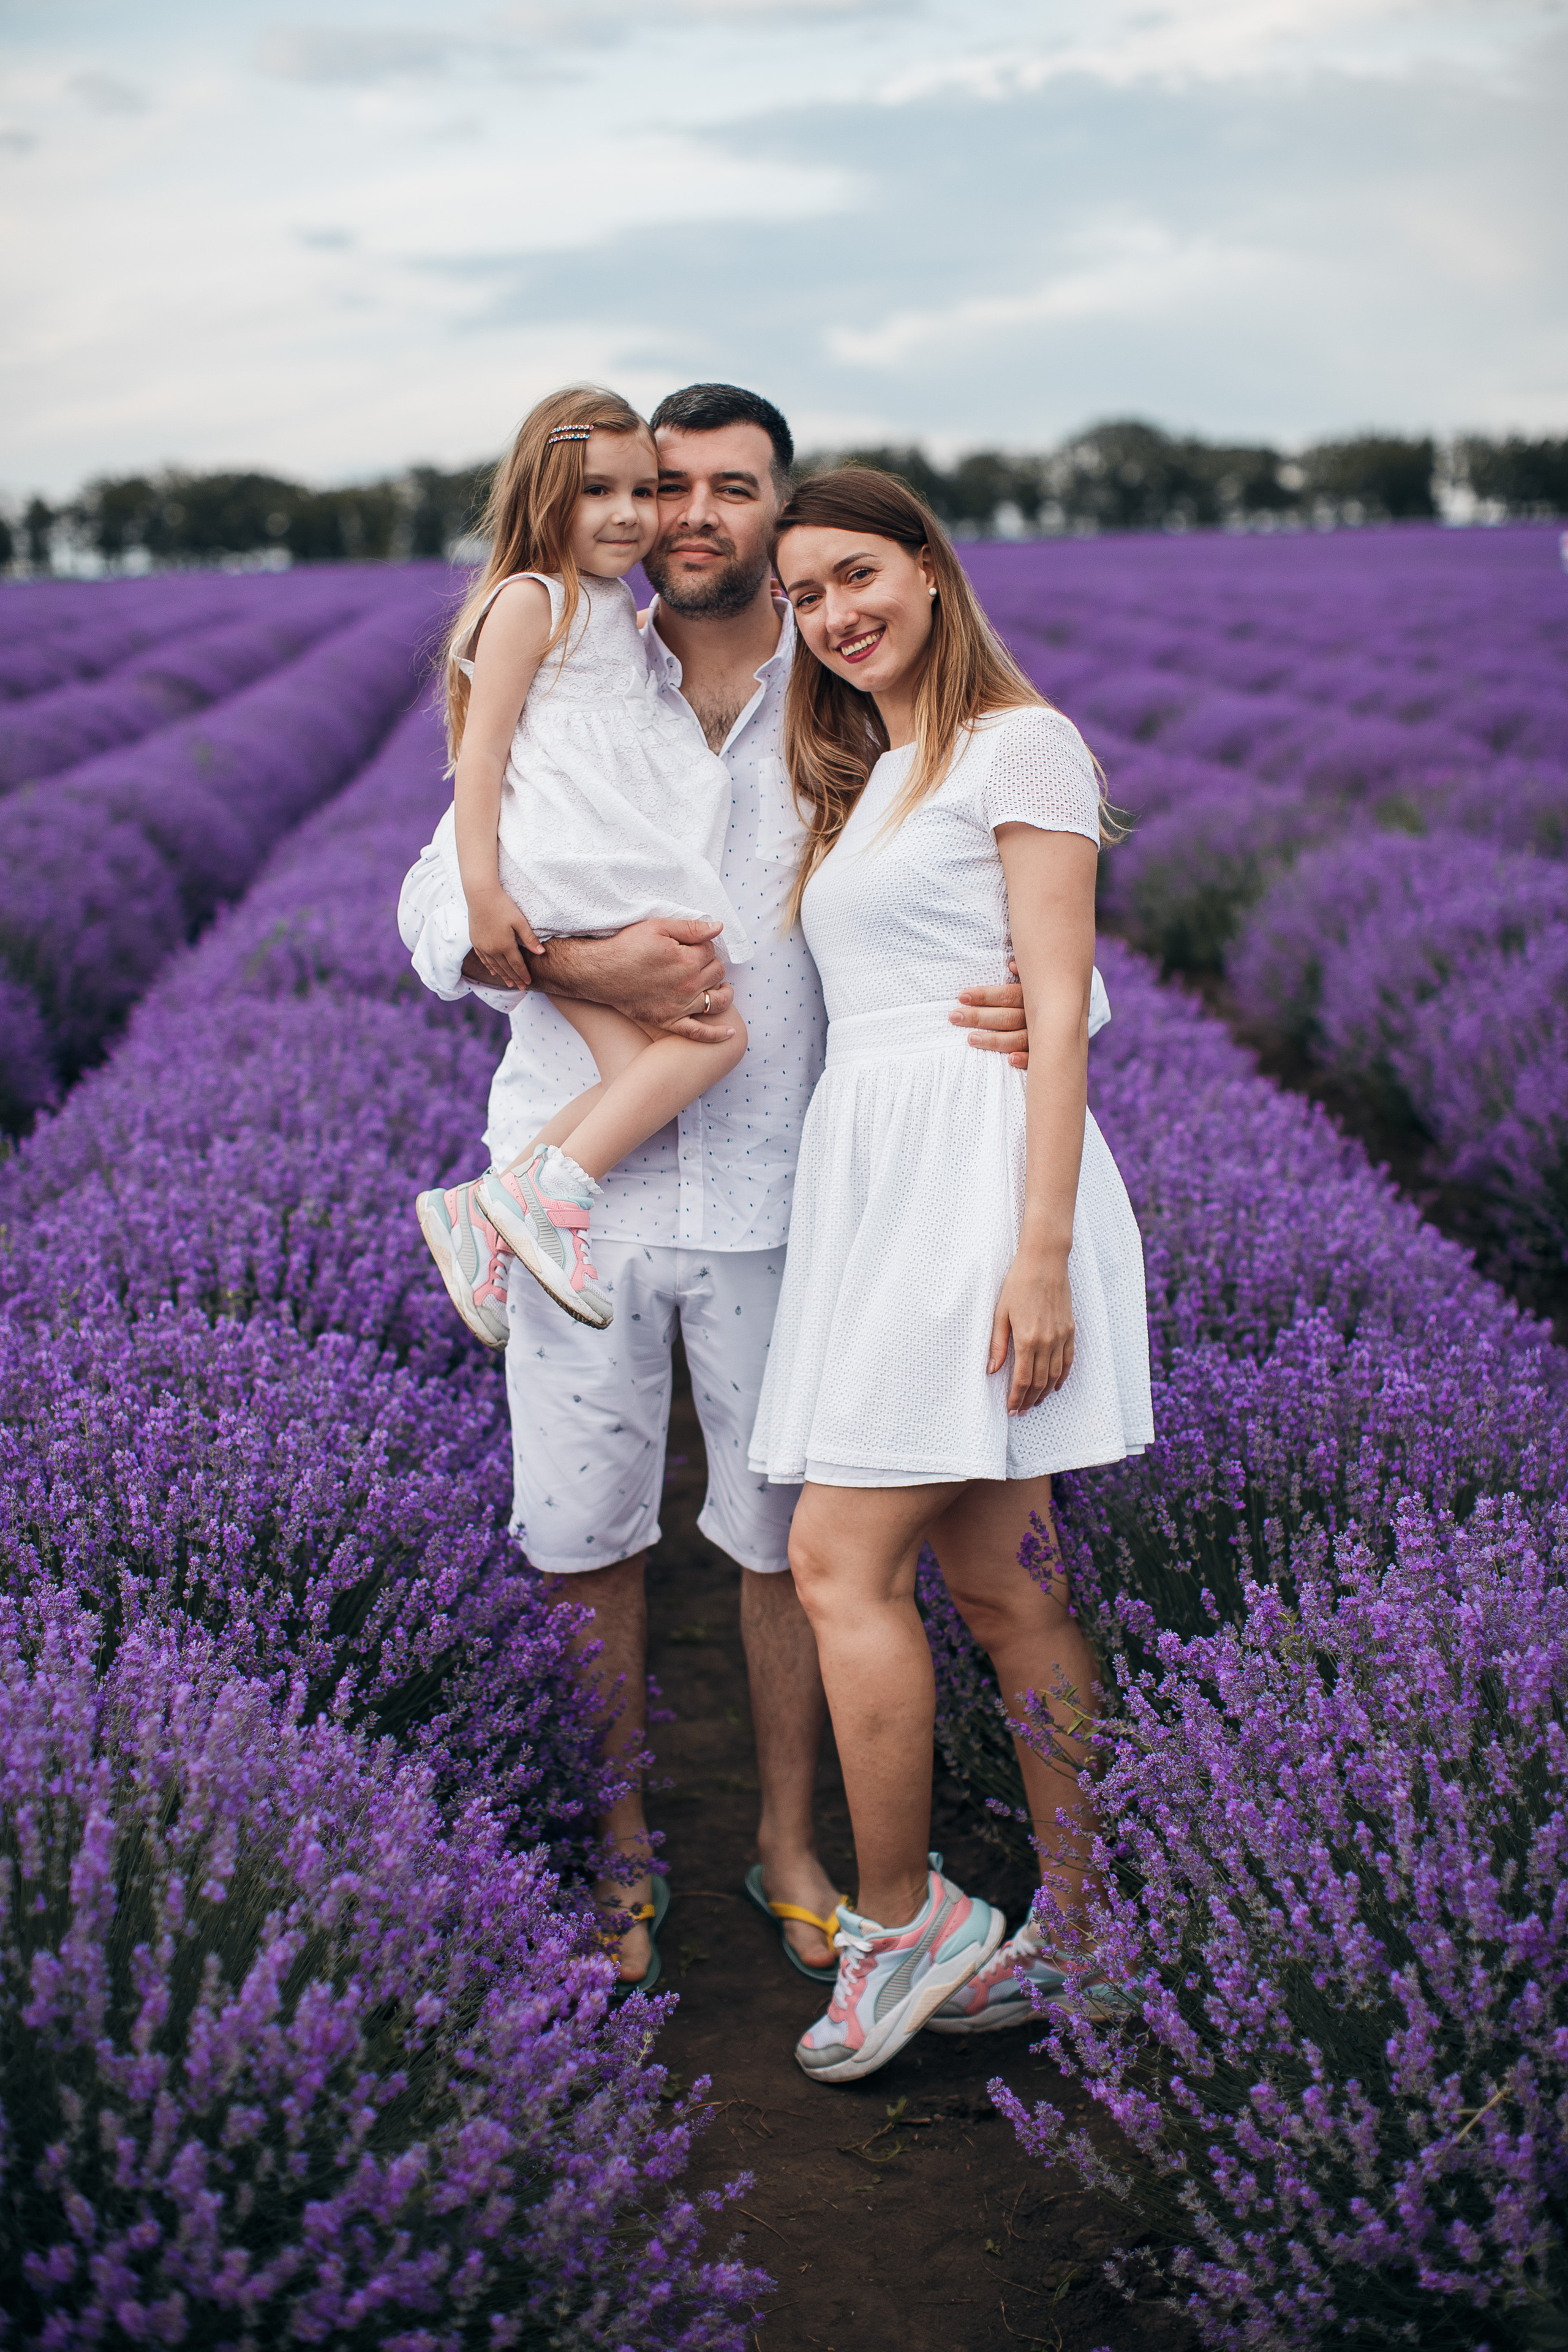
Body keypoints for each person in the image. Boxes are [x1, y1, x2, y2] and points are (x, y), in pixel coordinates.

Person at [399, 386, 1038, 1991]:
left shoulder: (838, 699)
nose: (690, 514)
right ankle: (618, 1851)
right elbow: (431, 903)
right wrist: (559, 951)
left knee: (779, 1550)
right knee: (582, 1536)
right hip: (576, 1192)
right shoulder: (572, 651)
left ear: (776, 509)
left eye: (729, 489)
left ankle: (791, 1844)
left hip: (781, 1194)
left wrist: (1046, 998)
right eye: (665, 486)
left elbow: (973, 860)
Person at [748, 467, 1155, 2083]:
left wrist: (1039, 1254)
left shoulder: (1018, 741)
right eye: (805, 598)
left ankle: (904, 1918)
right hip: (886, 1177)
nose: (836, 615)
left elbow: (1056, 1005)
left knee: (839, 1559)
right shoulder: (880, 764)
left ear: (929, 570)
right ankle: (1091, 1939)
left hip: (979, 1191)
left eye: (858, 576)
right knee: (1003, 1583)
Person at [414, 384, 751, 1338]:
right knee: (713, 1039)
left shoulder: (607, 605)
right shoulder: (531, 599)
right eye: (596, 491)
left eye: (643, 492)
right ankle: (542, 1196)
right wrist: (483, 894)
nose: (628, 515)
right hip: (568, 877)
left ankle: (486, 1207)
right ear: (542, 496)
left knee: (637, 1067)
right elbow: (480, 757)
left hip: (588, 873)